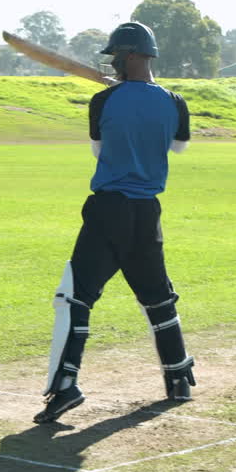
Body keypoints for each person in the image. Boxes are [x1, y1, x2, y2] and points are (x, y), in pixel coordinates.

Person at [36, 21, 195, 424]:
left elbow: (99, 152)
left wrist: (121, 103)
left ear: (131, 56)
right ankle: (179, 376)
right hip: (147, 213)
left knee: (74, 297)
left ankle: (65, 386)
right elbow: (178, 147)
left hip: (108, 211)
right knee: (156, 296)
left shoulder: (102, 101)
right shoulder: (175, 102)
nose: (115, 63)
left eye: (118, 56)